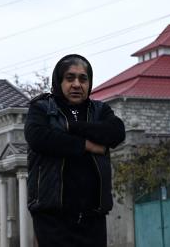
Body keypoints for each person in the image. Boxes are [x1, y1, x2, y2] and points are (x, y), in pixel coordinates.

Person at [24, 54, 125, 247]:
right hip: (52, 215)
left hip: (92, 215)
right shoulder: (42, 108)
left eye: (83, 78)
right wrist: (86, 145)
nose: (77, 84)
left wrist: (70, 127)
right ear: (59, 81)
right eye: (70, 78)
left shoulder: (100, 110)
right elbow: (39, 138)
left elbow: (116, 132)